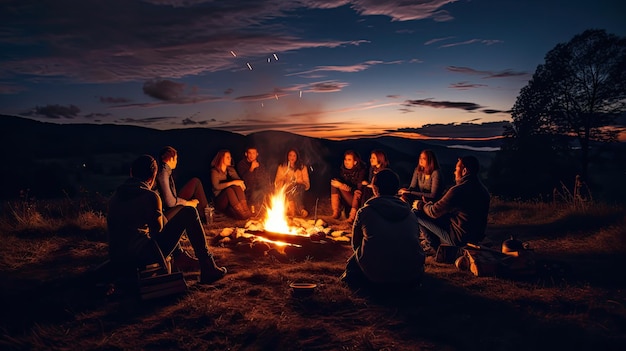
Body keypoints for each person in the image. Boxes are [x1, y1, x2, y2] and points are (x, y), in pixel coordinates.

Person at [107, 155, 226, 285]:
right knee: (190, 212)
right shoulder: (149, 196)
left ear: (131, 173)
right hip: (140, 257)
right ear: (152, 176)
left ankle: (181, 256)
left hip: (117, 257)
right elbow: (158, 234)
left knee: (163, 216)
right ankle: (208, 267)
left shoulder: (115, 196)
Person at [340, 169, 425, 290]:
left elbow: (356, 245)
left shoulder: (365, 212)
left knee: (354, 261)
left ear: (375, 189)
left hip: (376, 276)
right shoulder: (410, 214)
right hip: (411, 276)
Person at [413, 155, 490, 254]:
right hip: (474, 238)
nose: (454, 172)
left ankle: (434, 247)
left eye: (456, 169)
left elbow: (434, 212)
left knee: (417, 213)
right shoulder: (483, 190)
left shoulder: (458, 190)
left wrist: (420, 205)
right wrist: (429, 204)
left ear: (464, 171)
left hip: (458, 239)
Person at [155, 146, 210, 222]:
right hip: (164, 215)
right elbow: (170, 202)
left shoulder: (165, 170)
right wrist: (188, 203)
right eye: (176, 159)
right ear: (171, 159)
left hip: (169, 206)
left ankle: (207, 214)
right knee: (187, 208)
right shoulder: (163, 174)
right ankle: (206, 217)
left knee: (195, 182)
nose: (176, 162)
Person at [210, 149, 253, 220]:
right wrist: (232, 182)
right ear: (221, 158)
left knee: (237, 185)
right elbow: (216, 186)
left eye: (230, 157)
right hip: (220, 202)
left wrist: (240, 182)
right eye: (227, 157)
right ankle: (242, 214)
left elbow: (238, 180)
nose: (230, 159)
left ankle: (246, 211)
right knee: (229, 190)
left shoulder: (230, 169)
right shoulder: (214, 171)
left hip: (230, 202)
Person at [330, 150, 367, 223]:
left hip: (357, 201)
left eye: (349, 160)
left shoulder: (361, 172)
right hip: (347, 197)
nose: (346, 162)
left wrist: (342, 185)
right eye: (345, 159)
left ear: (355, 162)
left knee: (357, 192)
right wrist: (341, 185)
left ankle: (352, 218)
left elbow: (358, 191)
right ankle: (336, 212)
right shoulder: (343, 171)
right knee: (335, 182)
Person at [274, 148, 310, 217]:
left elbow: (307, 184)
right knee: (289, 188)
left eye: (294, 156)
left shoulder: (302, 167)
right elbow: (277, 182)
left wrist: (301, 181)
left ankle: (296, 210)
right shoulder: (282, 167)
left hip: (299, 188)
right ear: (287, 156)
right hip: (286, 189)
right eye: (290, 155)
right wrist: (285, 178)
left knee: (297, 187)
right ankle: (297, 210)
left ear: (297, 157)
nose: (292, 157)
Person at [236, 146, 272, 212]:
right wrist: (251, 169)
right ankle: (252, 210)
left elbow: (264, 179)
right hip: (247, 189)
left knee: (267, 189)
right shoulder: (241, 164)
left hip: (259, 188)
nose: (251, 155)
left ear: (257, 154)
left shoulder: (260, 165)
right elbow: (245, 181)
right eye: (250, 153)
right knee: (254, 192)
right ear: (246, 154)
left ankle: (267, 210)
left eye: (253, 153)